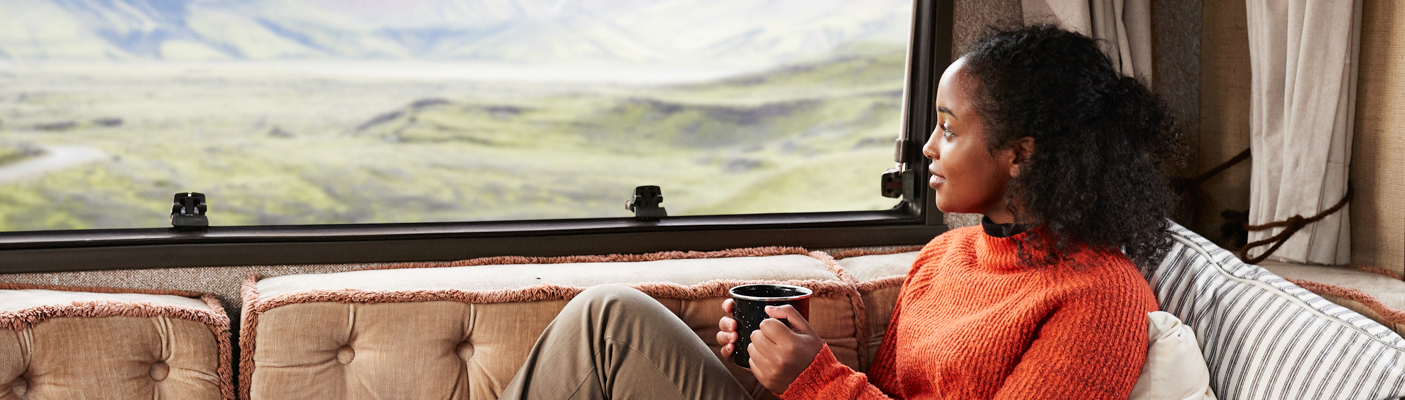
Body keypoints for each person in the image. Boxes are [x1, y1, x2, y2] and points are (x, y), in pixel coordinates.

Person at [500, 24, 1183, 400]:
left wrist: (813, 377)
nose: (927, 148)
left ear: (1020, 155)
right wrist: (776, 367)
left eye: (949, 128)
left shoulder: (1100, 297)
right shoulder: (945, 257)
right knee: (610, 317)